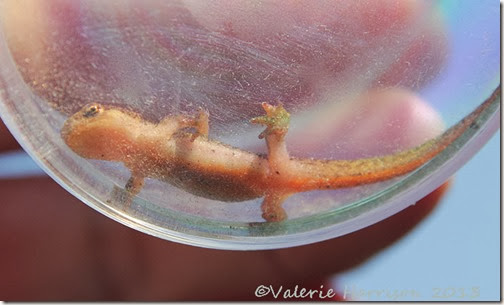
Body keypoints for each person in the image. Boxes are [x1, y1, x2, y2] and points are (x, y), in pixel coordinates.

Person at [0, 0, 450, 300]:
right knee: (278, 184)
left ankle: (283, 144)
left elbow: (195, 123)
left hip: (269, 176)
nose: (89, 125)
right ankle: (277, 199)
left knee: (281, 158)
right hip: (263, 191)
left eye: (92, 113)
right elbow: (148, 173)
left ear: (119, 114)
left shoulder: (157, 135)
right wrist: (128, 193)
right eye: (90, 149)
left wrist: (202, 127)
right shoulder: (138, 163)